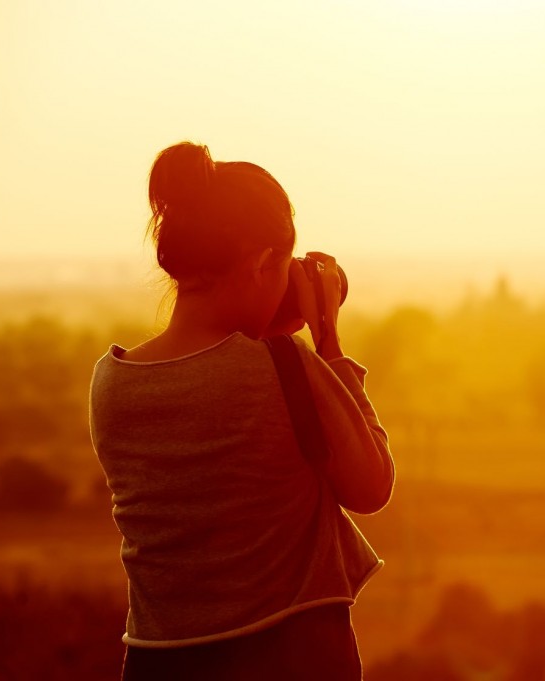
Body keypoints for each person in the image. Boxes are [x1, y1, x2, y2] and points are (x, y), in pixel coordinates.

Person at [89, 141, 394, 680]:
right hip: (289, 655)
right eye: (281, 270)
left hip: (158, 659)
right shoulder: (285, 366)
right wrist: (328, 342)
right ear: (259, 265)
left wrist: (261, 334)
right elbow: (372, 486)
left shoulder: (111, 382)